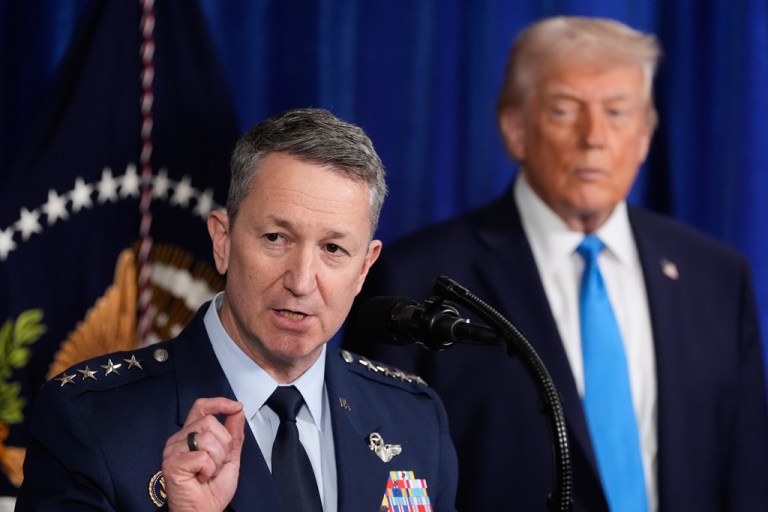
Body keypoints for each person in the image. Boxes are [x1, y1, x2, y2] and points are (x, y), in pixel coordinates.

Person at [344, 16, 768, 512]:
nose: (594, 137)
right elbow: (384, 467)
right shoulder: (416, 278)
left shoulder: (716, 277)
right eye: (565, 111)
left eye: (617, 112)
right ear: (515, 129)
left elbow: (748, 478)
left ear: (645, 136)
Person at [16, 108, 458, 511]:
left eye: (333, 249)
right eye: (276, 238)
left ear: (363, 268)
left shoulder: (413, 418)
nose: (302, 281)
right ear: (222, 241)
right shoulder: (90, 421)